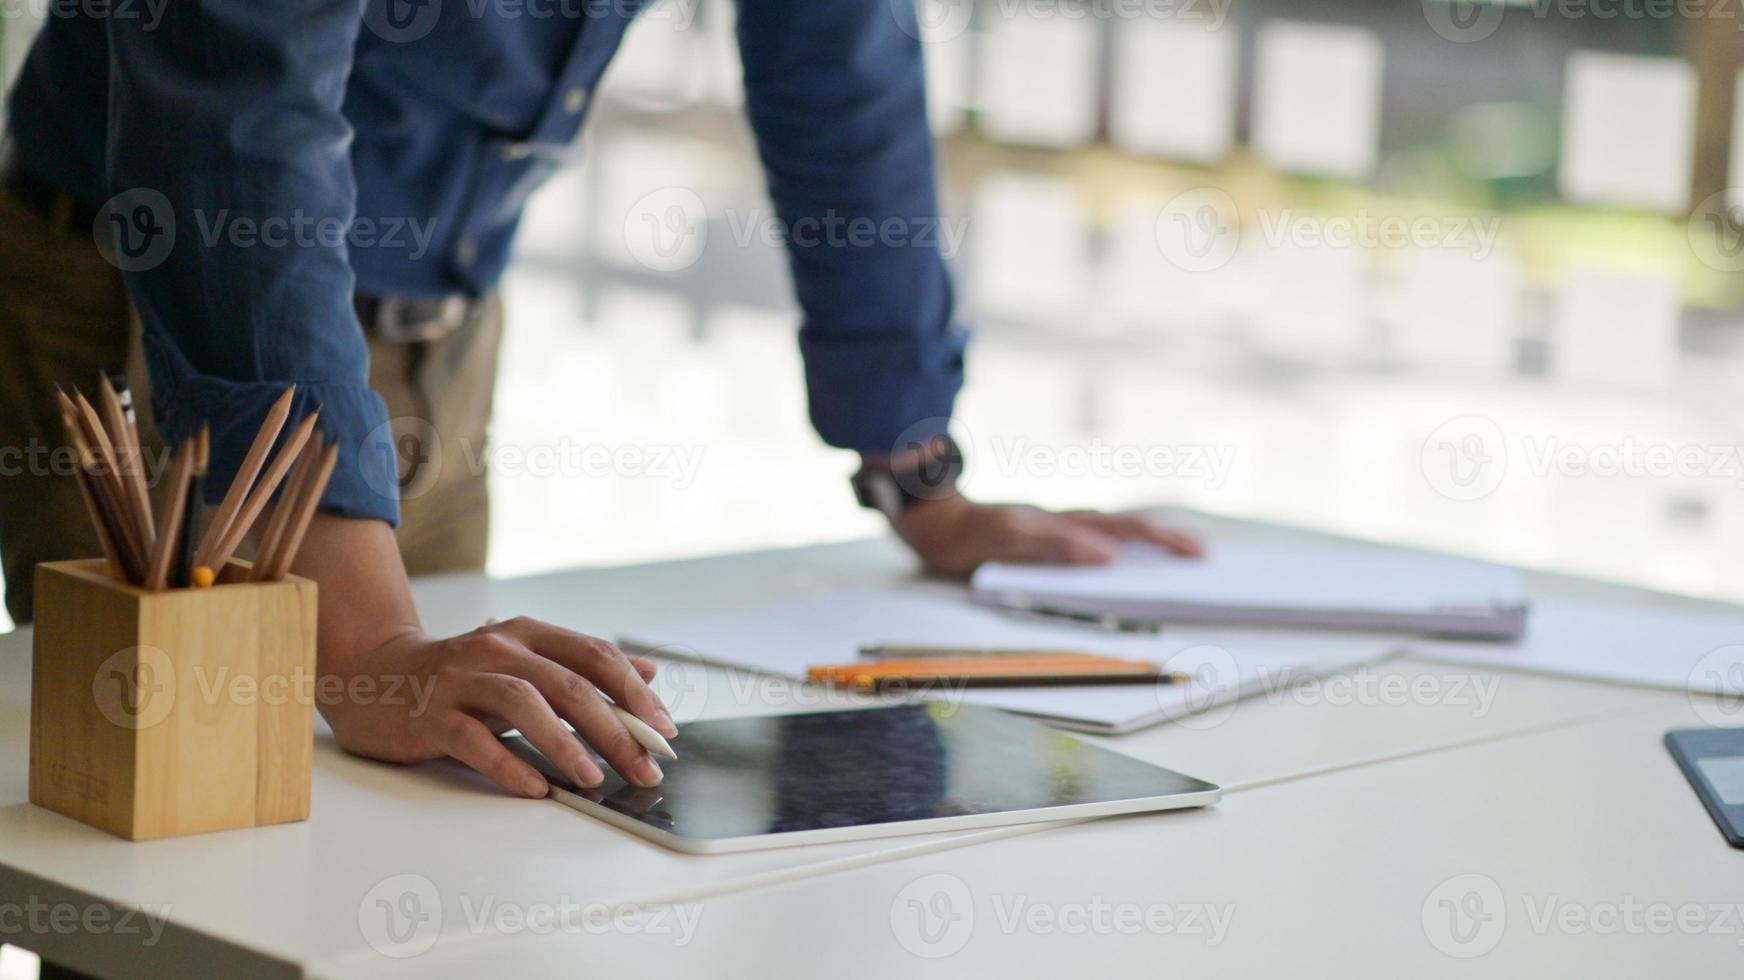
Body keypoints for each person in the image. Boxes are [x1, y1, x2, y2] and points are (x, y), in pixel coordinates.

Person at [0, 0, 1201, 797]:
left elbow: (837, 56)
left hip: (436, 332)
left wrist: (916, 468)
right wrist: (367, 645)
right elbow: (230, 111)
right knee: (196, 853)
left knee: (423, 824)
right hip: (158, 305)